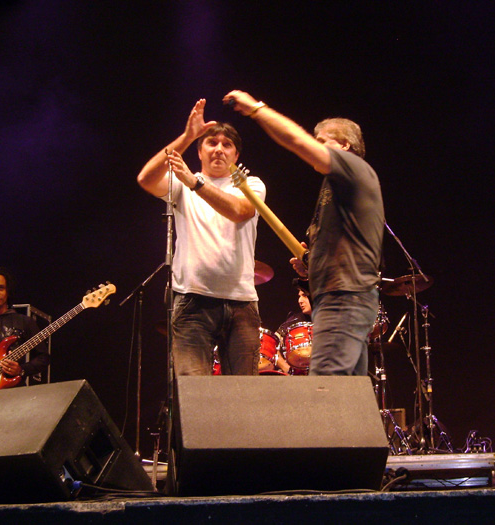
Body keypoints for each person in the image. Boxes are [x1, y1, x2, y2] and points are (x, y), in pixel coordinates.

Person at [224, 91, 384, 376]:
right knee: (348, 391)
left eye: (322, 141)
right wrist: (312, 264)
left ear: (344, 145)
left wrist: (256, 109)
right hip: (340, 297)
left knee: (326, 387)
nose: (314, 146)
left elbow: (296, 140)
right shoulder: (335, 186)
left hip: (345, 298)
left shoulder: (353, 169)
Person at [137, 99, 264, 376]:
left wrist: (195, 183)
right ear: (199, 151)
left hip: (242, 302)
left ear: (236, 155)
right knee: (193, 393)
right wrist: (187, 136)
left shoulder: (250, 184)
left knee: (245, 394)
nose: (219, 148)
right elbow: (146, 179)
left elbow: (240, 211)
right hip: (192, 301)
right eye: (211, 142)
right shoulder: (182, 183)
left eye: (227, 144)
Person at [0, 267, 49, 387]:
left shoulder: (24, 322)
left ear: (7, 291)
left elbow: (43, 358)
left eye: (1, 288)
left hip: (13, 391)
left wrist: (21, 370)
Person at [273, 280, 313, 375]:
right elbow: (272, 345)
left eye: (304, 296)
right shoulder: (294, 321)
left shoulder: (333, 321)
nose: (300, 301)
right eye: (299, 296)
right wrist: (286, 367)